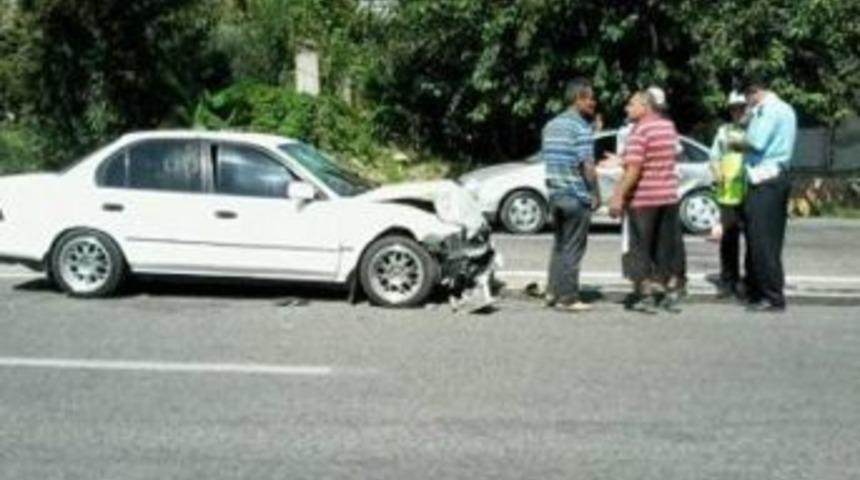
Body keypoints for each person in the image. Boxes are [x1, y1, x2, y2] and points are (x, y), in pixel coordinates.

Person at [609, 90, 686, 313]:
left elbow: (634, 168)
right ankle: (663, 290)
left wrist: (618, 195)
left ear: (645, 105)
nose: (627, 108)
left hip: (644, 199)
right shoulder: (668, 127)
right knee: (663, 247)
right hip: (668, 196)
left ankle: (645, 294)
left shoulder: (640, 130)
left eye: (631, 104)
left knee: (640, 247)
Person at [732, 75, 797, 312]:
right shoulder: (785, 109)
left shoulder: (767, 111)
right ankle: (759, 291)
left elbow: (757, 142)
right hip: (774, 178)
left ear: (754, 91)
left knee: (762, 242)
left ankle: (771, 296)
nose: (746, 102)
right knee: (766, 239)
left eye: (747, 96)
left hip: (765, 178)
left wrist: (736, 140)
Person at [543, 78, 601, 312]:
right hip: (575, 195)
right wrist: (595, 193)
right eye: (590, 98)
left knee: (559, 245)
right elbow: (586, 165)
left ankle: (552, 291)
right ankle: (568, 297)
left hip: (555, 194)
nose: (593, 103)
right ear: (579, 99)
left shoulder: (550, 125)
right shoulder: (580, 127)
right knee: (574, 247)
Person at [709, 91, 749, 299]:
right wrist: (718, 176)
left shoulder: (756, 130)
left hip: (752, 189)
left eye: (742, 107)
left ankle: (750, 281)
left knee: (753, 239)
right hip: (729, 192)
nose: (738, 111)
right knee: (729, 240)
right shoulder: (724, 131)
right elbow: (714, 157)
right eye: (734, 108)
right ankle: (728, 281)